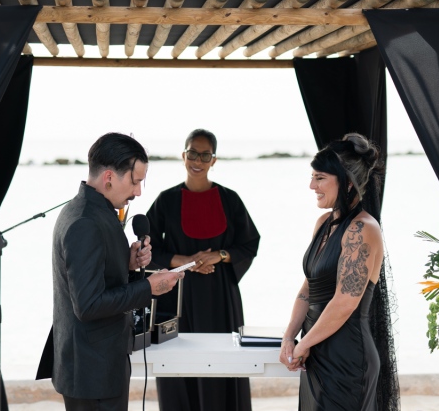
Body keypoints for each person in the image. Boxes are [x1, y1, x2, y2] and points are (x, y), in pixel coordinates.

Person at [48, 132, 184, 411]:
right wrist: (149, 288)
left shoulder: (89, 210)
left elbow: (95, 273)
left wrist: (128, 262)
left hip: (96, 365)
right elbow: (88, 305)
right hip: (92, 372)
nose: (138, 192)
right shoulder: (85, 222)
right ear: (109, 177)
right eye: (134, 181)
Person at [279, 133, 399, 411]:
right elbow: (307, 290)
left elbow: (345, 302)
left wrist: (302, 345)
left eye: (320, 178)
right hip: (315, 353)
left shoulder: (363, 229)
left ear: (346, 182)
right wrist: (289, 338)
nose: (312, 185)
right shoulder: (323, 222)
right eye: (312, 176)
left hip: (347, 360)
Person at [147, 128, 260, 411]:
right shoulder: (166, 200)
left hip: (221, 297)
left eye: (205, 154)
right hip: (176, 297)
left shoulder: (230, 199)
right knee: (179, 368)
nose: (198, 160)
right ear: (183, 155)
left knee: (225, 367)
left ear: (214, 160)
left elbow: (249, 244)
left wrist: (219, 256)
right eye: (192, 153)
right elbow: (146, 251)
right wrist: (184, 260)